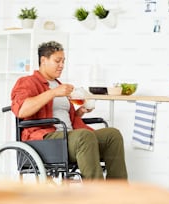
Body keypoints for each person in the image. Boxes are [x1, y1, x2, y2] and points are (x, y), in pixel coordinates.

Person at [11, 41, 128, 180]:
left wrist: (80, 112)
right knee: (84, 136)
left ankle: (119, 193)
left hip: (70, 137)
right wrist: (53, 93)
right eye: (57, 61)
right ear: (43, 60)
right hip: (45, 139)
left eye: (63, 61)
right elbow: (21, 110)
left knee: (112, 135)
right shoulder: (27, 82)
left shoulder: (59, 85)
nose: (62, 65)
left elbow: (64, 116)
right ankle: (97, 195)